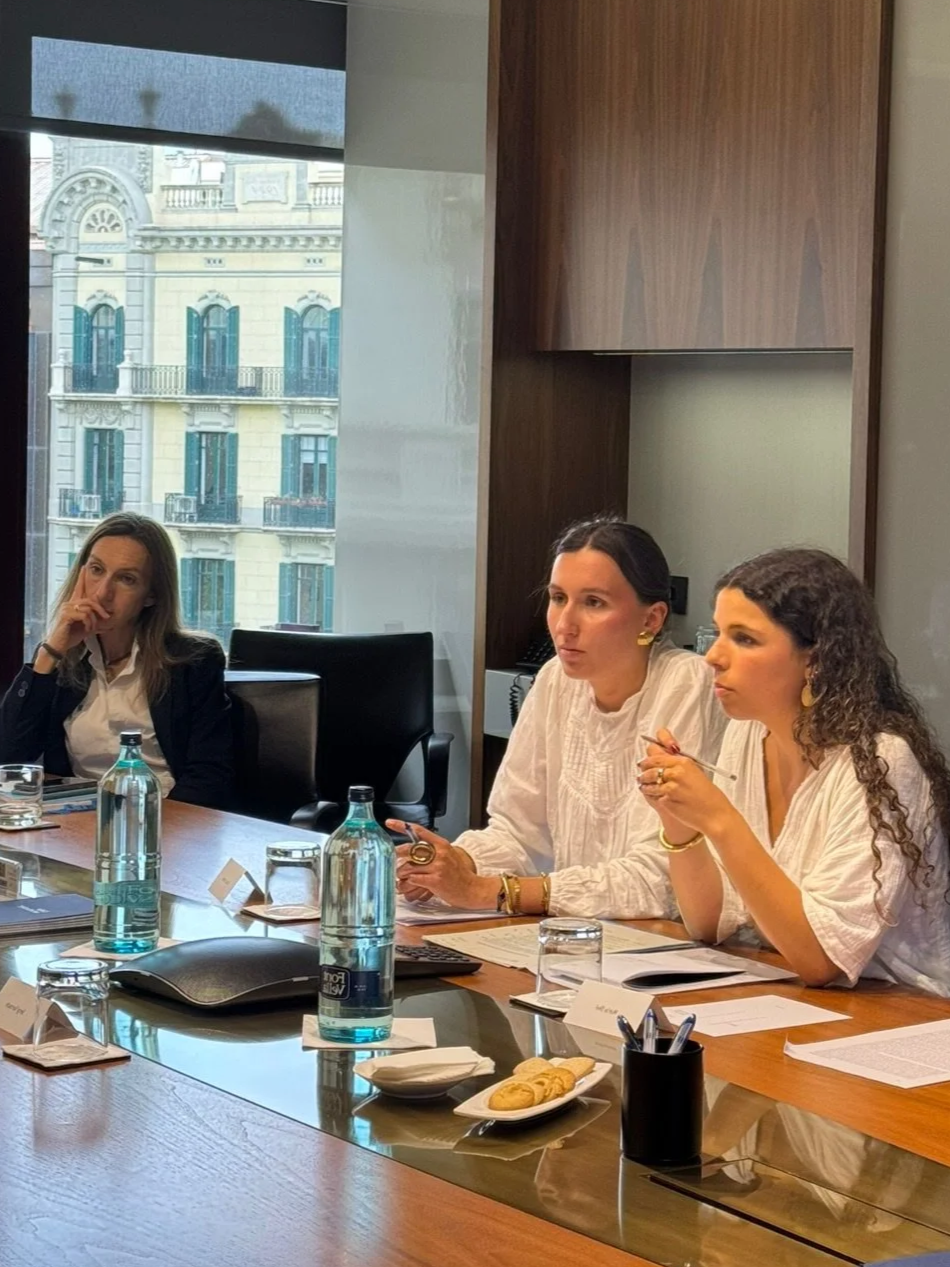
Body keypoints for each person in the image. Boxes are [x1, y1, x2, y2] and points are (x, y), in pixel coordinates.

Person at [638, 547, 950, 994]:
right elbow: (709, 923)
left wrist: (719, 819)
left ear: (815, 659)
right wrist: (678, 820)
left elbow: (822, 960)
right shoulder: (746, 736)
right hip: (796, 995)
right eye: (720, 633)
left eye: (744, 639)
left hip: (900, 1010)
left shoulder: (880, 760)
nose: (713, 657)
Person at [390, 516, 725, 919]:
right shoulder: (554, 680)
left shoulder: (688, 685)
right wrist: (455, 864)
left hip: (666, 943)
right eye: (558, 598)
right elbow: (518, 832)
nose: (565, 625)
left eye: (594, 603)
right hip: (572, 933)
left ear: (651, 619)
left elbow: (659, 880)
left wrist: (489, 891)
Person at [0, 512, 234, 809]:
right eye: (96, 570)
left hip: (163, 822)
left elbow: (209, 778)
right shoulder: (62, 657)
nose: (103, 592)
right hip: (76, 821)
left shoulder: (194, 660)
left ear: (152, 595)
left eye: (126, 579)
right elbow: (9, 754)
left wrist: (148, 832)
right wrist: (52, 650)